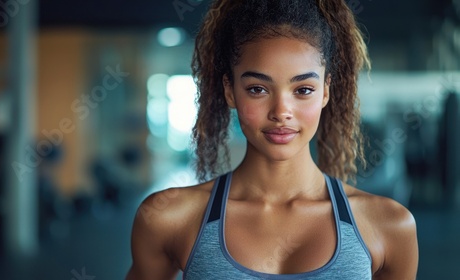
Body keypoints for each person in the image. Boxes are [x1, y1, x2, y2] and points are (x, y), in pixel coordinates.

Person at [126, 0, 419, 279]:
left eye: (303, 90)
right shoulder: (168, 218)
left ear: (326, 91)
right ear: (230, 90)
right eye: (258, 89)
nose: (281, 112)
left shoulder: (389, 225)